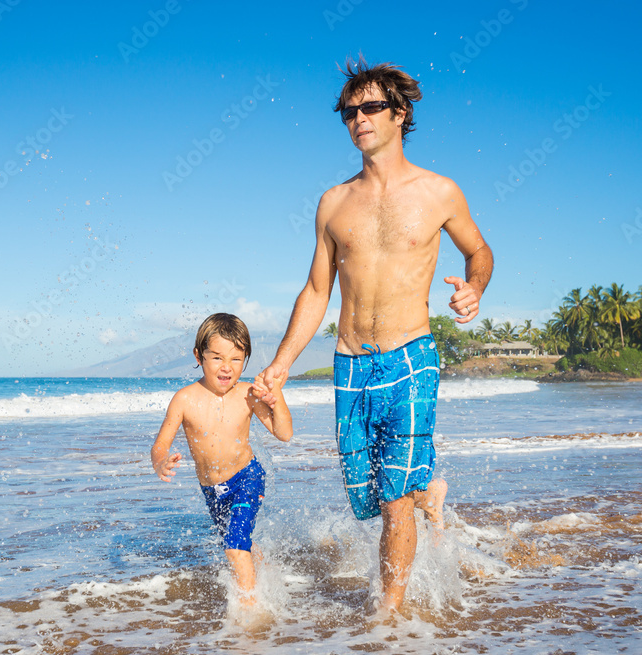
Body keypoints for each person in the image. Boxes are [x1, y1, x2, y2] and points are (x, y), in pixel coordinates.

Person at [259, 57, 494, 614]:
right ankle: (426, 491)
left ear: (400, 113)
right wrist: (282, 363)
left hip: (412, 357)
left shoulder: (440, 192)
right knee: (365, 498)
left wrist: (475, 287)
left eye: (370, 107)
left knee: (392, 504)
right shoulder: (333, 204)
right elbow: (316, 291)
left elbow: (478, 251)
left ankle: (389, 619)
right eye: (349, 111)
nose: (358, 118)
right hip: (350, 366)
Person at [152, 312, 293, 607]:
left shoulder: (247, 394)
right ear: (198, 356)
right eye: (216, 358)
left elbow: (284, 433)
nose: (226, 367)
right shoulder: (184, 399)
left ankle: (250, 613)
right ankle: (267, 572)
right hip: (212, 491)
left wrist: (275, 397)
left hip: (247, 478)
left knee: (233, 545)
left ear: (245, 360)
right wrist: (161, 461)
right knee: (239, 543)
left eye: (236, 359)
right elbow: (161, 444)